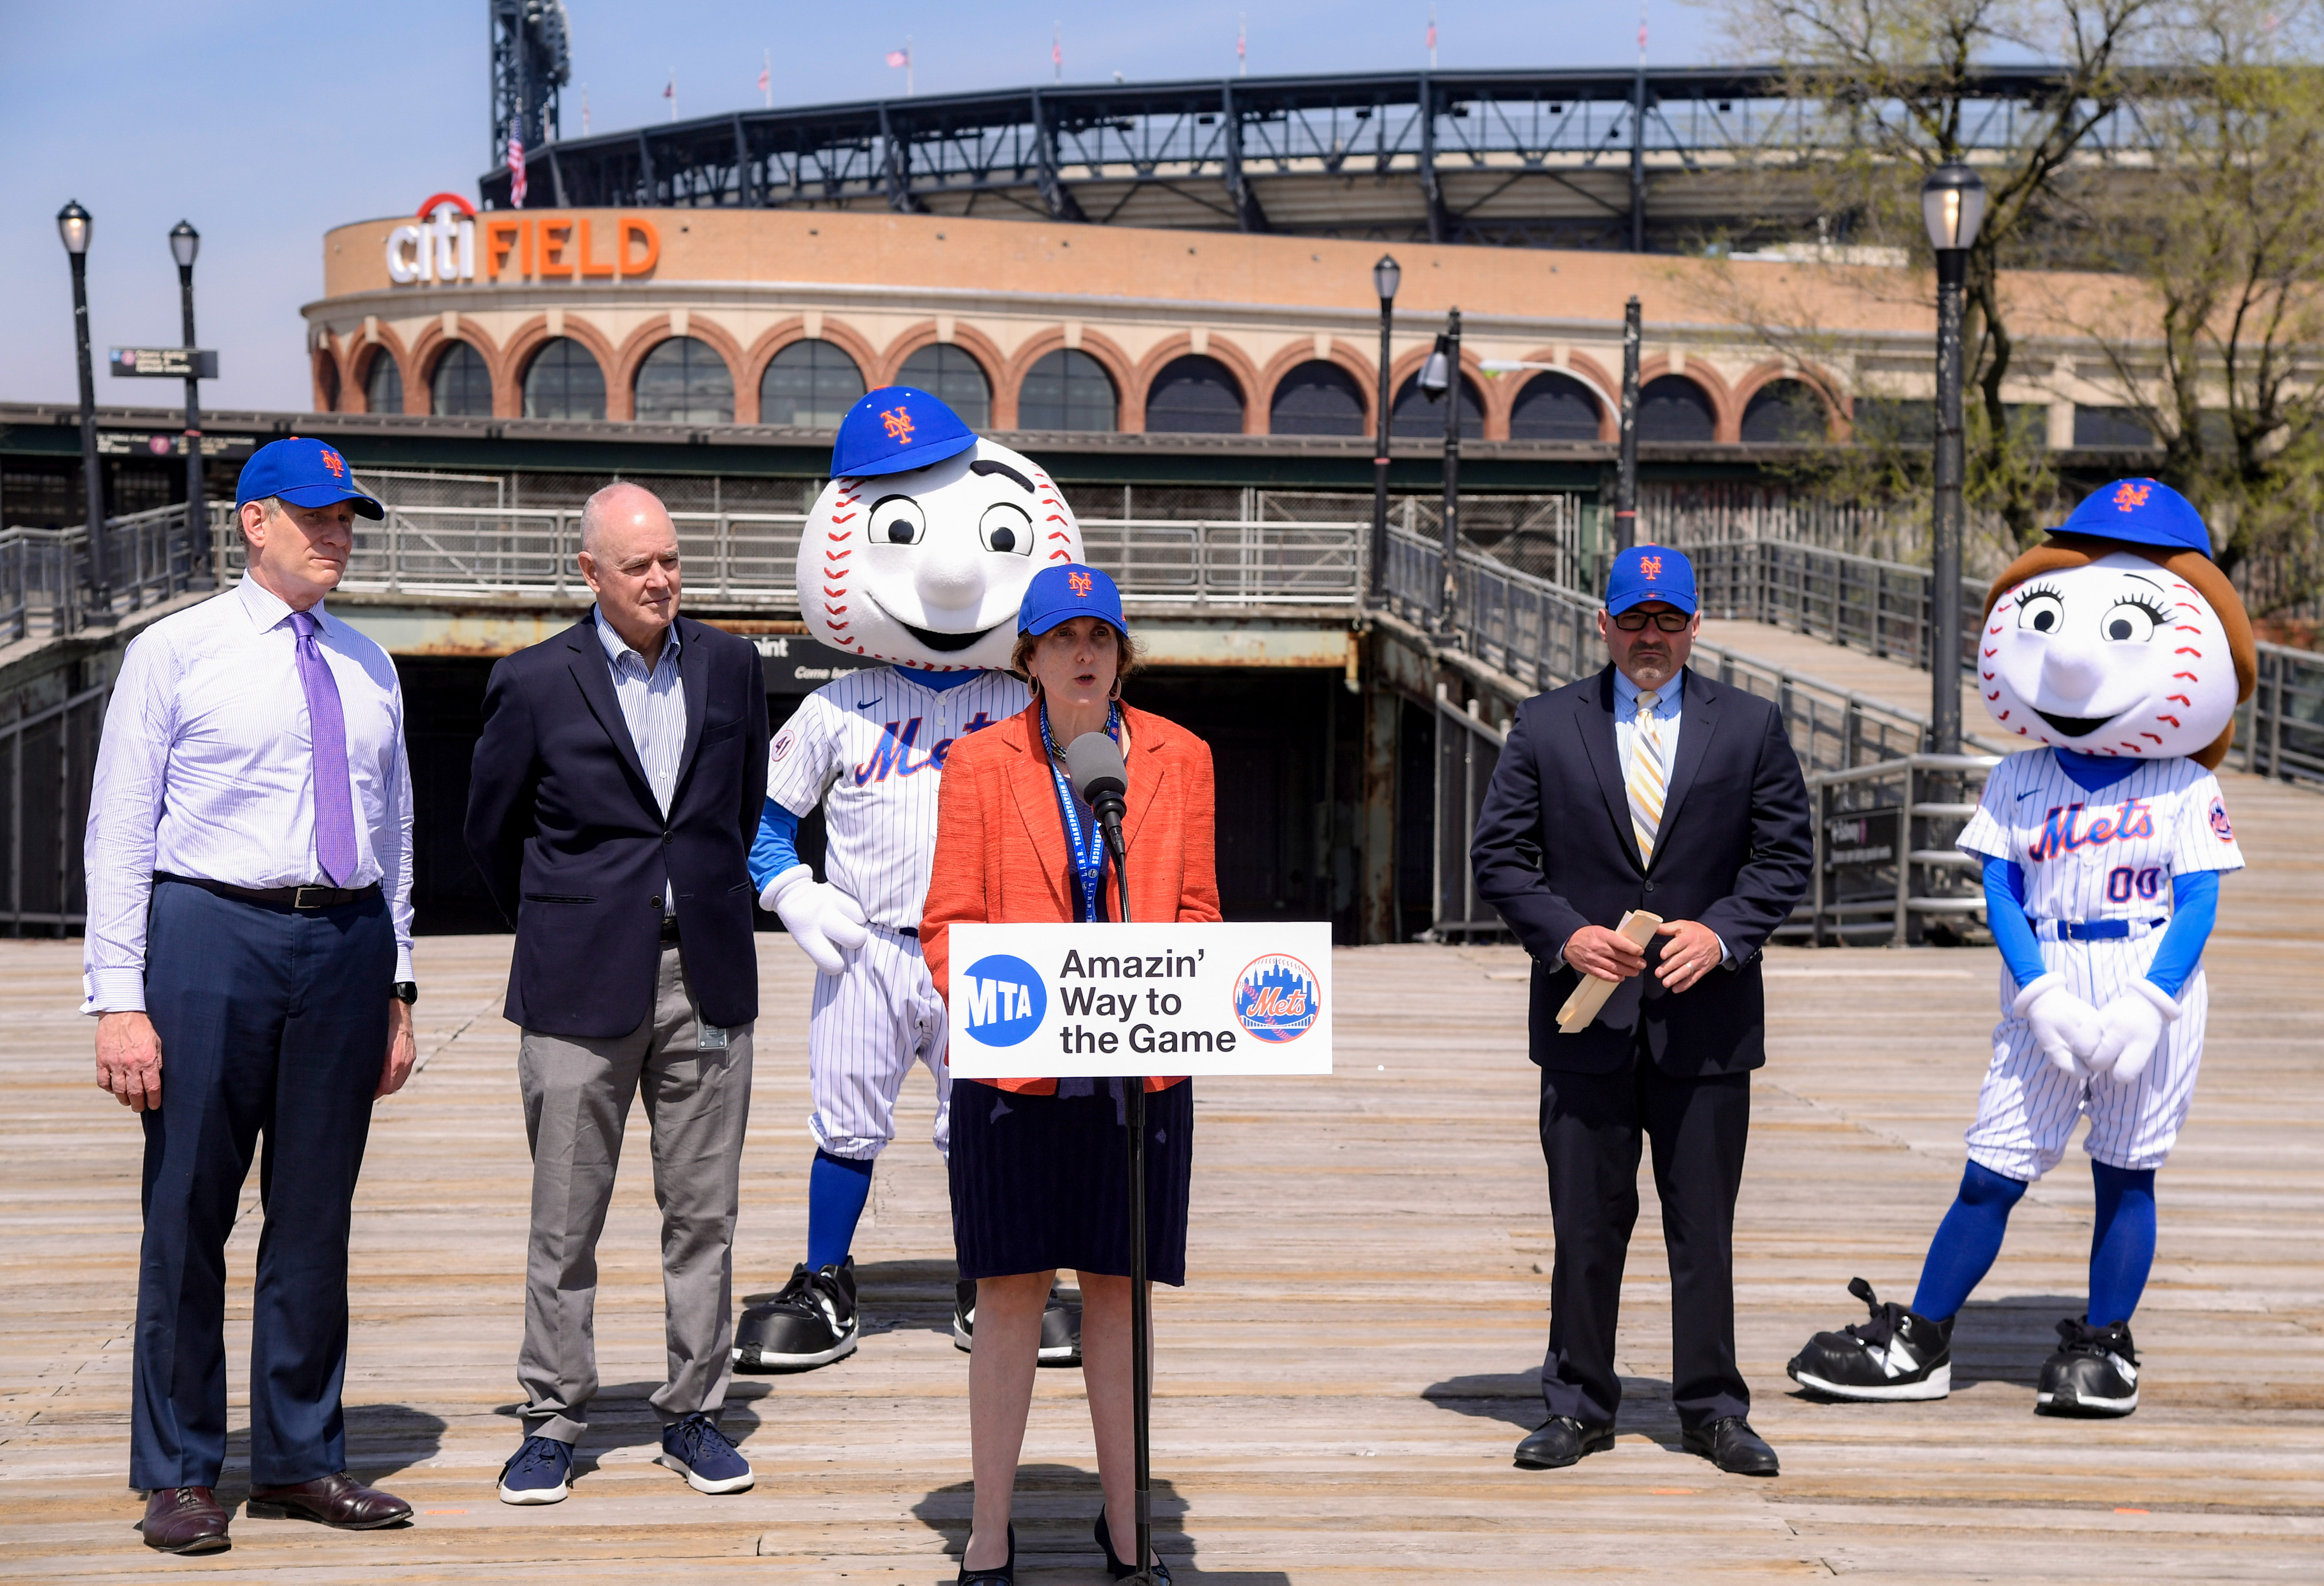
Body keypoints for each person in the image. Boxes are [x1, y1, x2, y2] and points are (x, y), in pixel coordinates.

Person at [1786, 479, 2256, 1418]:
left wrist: (2149, 1001)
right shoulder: (2017, 774)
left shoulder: (2177, 787)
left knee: (2127, 1171)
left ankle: (2105, 1347)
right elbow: (1999, 887)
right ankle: (1920, 1340)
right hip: (2043, 976)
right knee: (1990, 1166)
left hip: (2143, 977)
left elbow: (2196, 903)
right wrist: (2036, 992)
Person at [83, 437, 418, 1555]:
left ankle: (299, 1458)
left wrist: (399, 986)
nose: (336, 536)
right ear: (254, 522)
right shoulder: (174, 652)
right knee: (186, 1211)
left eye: (348, 519)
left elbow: (396, 833)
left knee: (316, 1215)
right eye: (316, 517)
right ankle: (180, 1471)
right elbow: (121, 831)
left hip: (345, 943)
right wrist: (117, 999)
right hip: (209, 934)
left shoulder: (372, 664)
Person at [734, 387, 1084, 1373]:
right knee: (846, 1122)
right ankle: (824, 1276)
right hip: (872, 944)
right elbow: (763, 822)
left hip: (987, 948)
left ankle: (995, 1273)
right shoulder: (836, 705)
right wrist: (792, 893)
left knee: (988, 1118)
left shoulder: (1026, 704)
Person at [1471, 543, 1812, 1478]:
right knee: (1584, 1223)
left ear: (1695, 625)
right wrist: (1565, 935)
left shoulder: (1750, 726)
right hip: (1586, 1021)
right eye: (1633, 620)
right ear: (1603, 625)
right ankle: (1576, 1406)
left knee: (1702, 1228)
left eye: (1667, 620)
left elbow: (1782, 861)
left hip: (1705, 1024)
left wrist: (1724, 934)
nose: (1649, 637)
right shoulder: (1544, 726)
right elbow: (1500, 858)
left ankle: (1710, 1409)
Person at [464, 481, 770, 1506]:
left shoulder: (730, 667)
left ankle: (692, 1412)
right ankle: (551, 1419)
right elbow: (491, 834)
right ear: (589, 572)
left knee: (704, 1213)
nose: (660, 579)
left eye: (671, 560)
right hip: (576, 979)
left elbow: (738, 806)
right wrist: (572, 919)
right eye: (638, 564)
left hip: (707, 974)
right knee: (565, 1215)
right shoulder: (531, 681)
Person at [921, 562, 1219, 1585]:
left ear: (1121, 652)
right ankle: (989, 1531)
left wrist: (1155, 995)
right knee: (1007, 1291)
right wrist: (1024, 1009)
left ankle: (1129, 1528)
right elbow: (947, 928)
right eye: (1062, 639)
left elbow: (1199, 920)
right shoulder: (977, 764)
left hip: (1141, 1077)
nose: (1083, 655)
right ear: (1029, 659)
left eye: (1100, 636)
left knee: (1118, 1294)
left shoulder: (1183, 758)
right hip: (1018, 1073)